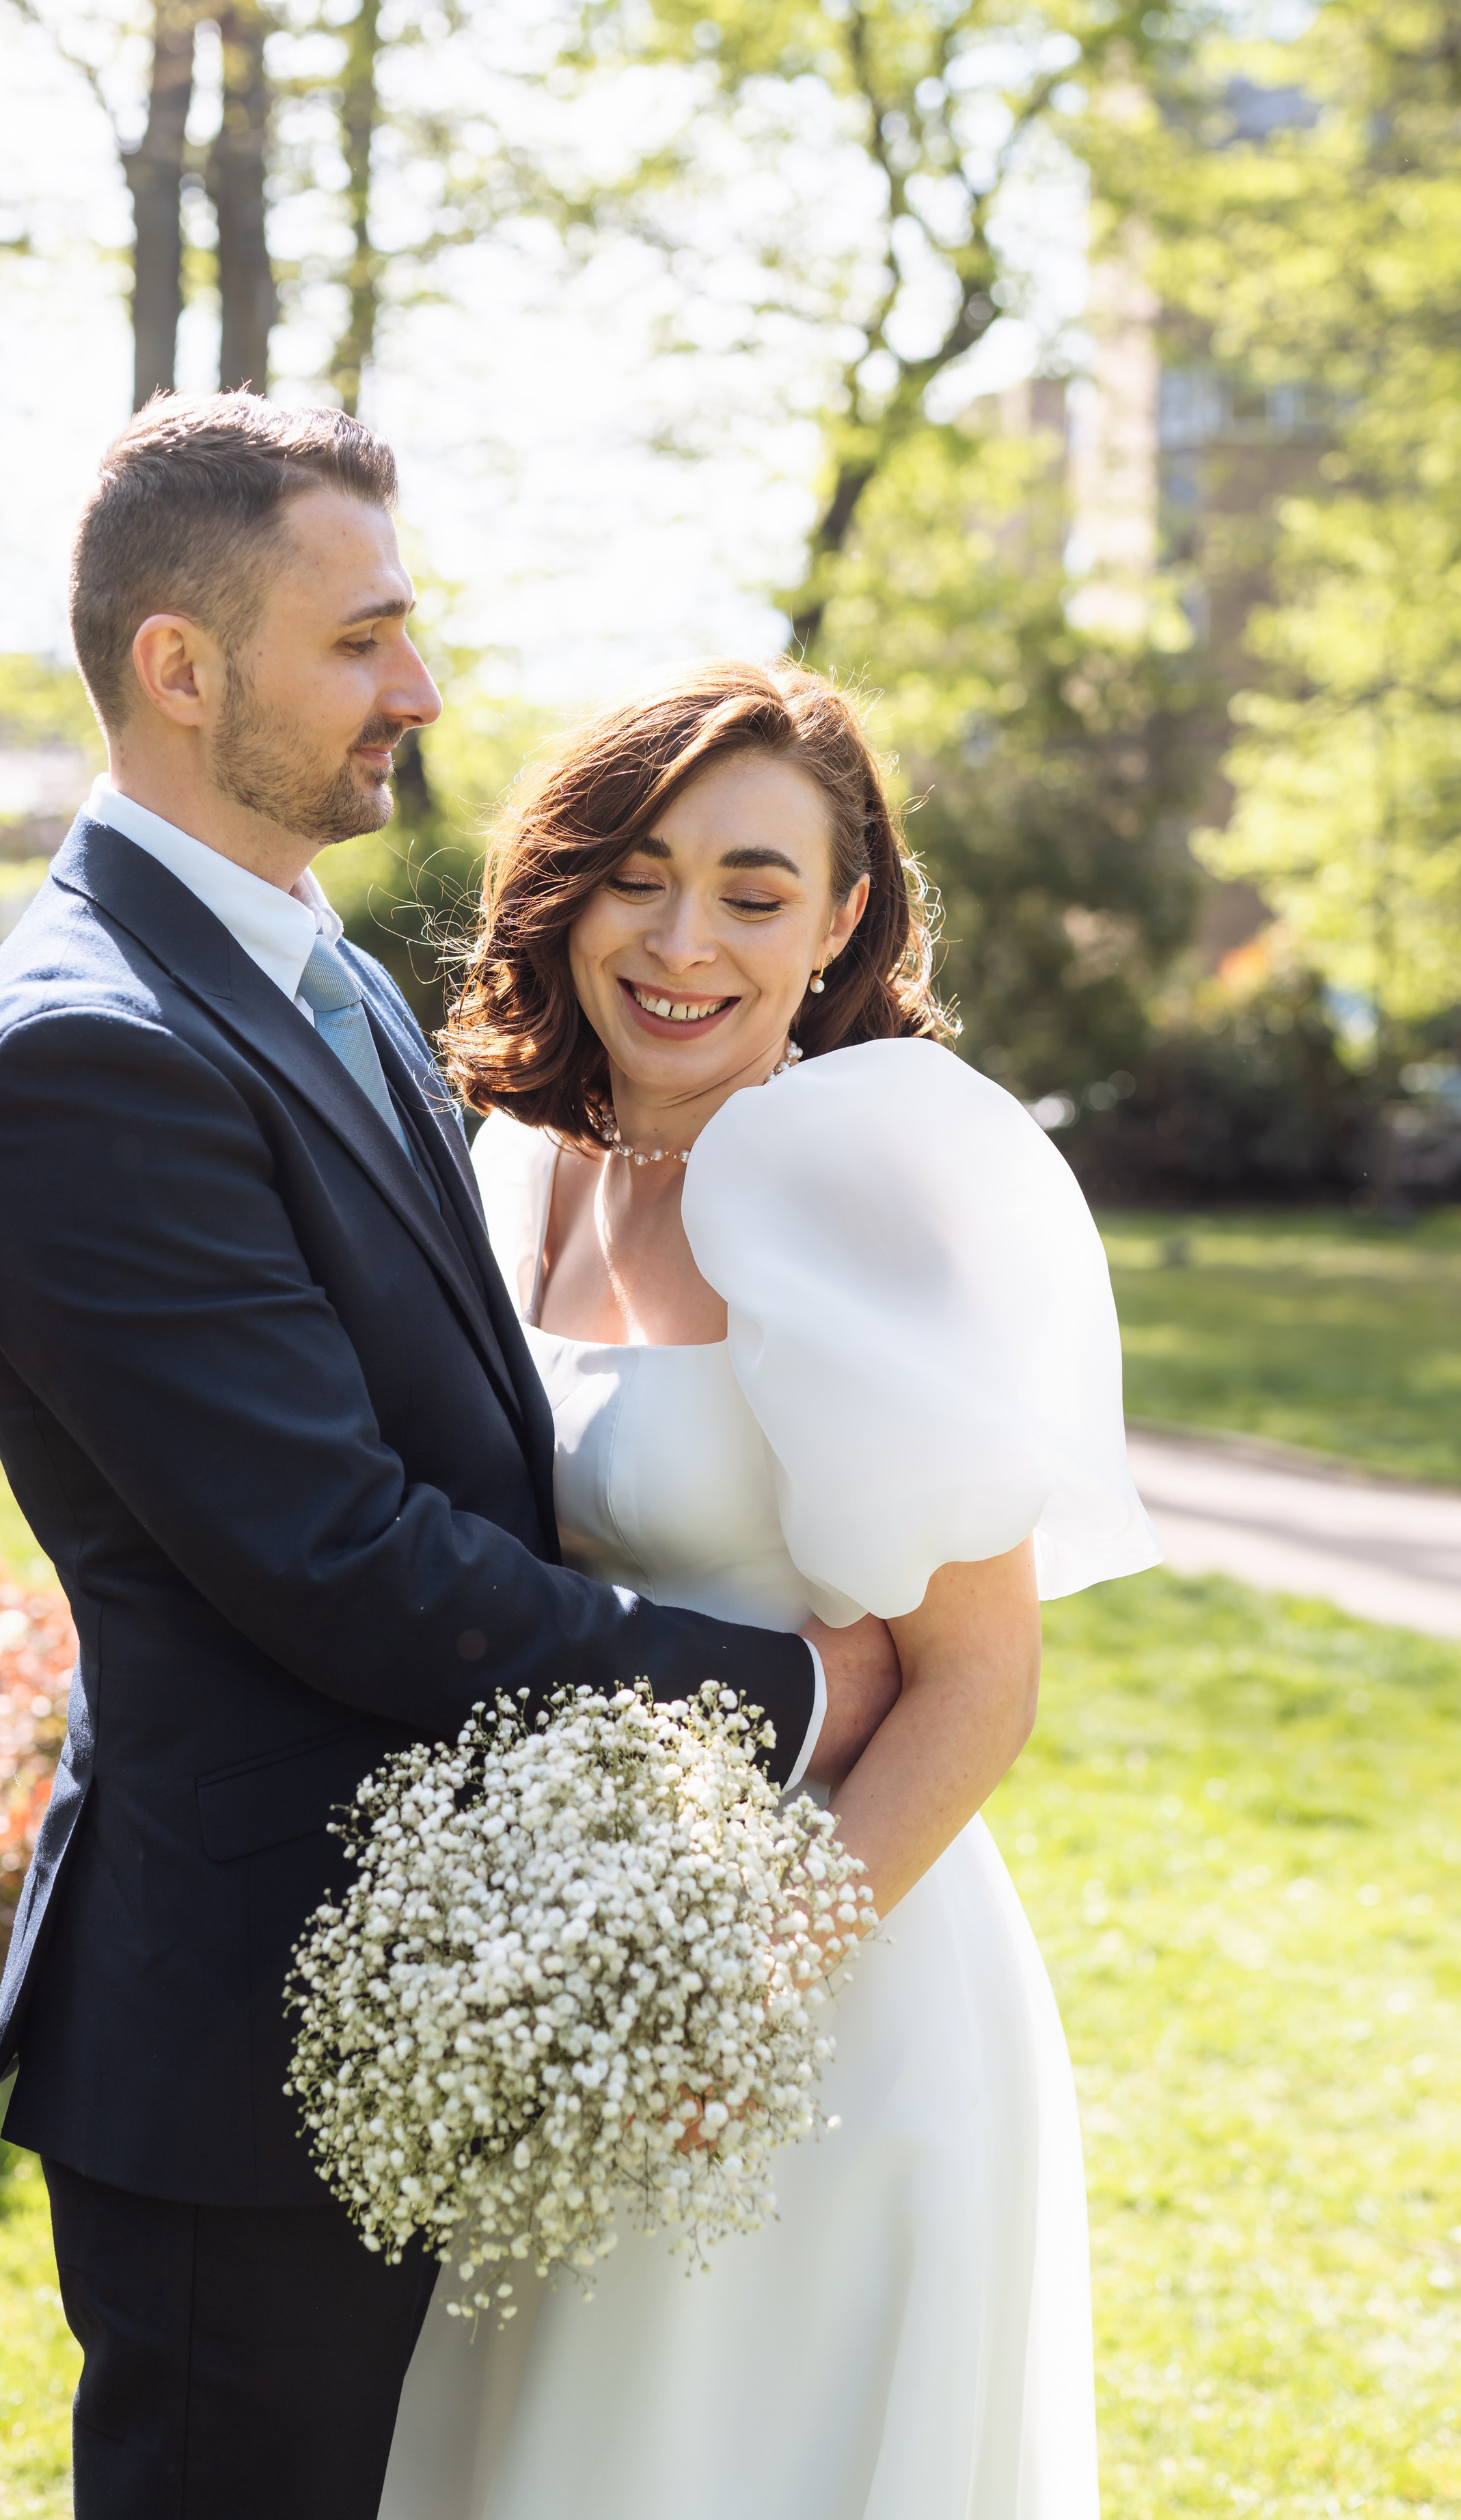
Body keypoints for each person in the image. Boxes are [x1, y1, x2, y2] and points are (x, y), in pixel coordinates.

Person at [0, 396, 895, 2520]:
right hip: (248, 2040)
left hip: (453, 1978)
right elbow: (341, 1556)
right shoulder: (94, 1051)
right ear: (182, 667)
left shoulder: (321, 979)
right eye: (361, 641)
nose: (421, 690)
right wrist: (796, 1689)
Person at [377, 660, 1161, 2520]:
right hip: (571, 1963)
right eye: (640, 876)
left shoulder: (869, 1188)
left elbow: (977, 1685)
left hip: (831, 1994)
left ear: (841, 922)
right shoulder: (515, 1165)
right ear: (567, 888)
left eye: (754, 891)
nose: (683, 944)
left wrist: (724, 2000)